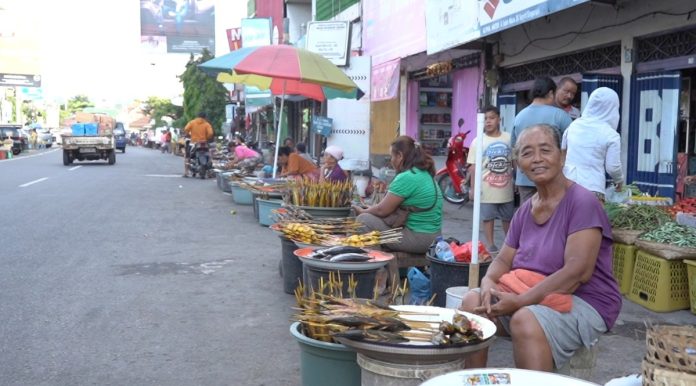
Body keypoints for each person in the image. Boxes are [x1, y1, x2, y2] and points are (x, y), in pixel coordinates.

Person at [459, 124, 621, 372]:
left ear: (562, 155)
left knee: (525, 319)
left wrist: (521, 301)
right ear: (517, 163)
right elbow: (503, 261)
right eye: (526, 153)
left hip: (584, 300)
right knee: (473, 303)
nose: (537, 159)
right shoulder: (525, 209)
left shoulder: (582, 202)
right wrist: (489, 284)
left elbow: (577, 272)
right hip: (531, 292)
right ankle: (472, 380)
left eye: (545, 150)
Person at [352, 136, 443, 275]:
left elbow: (382, 210)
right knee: (369, 216)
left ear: (400, 156)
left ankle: (377, 271)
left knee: (363, 221)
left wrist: (362, 211)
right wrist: (370, 209)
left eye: (391, 157)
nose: (391, 162)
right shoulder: (423, 174)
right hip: (433, 236)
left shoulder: (407, 177)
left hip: (420, 239)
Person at [511, 76, 572, 204]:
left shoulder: (519, 117)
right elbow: (572, 148)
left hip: (525, 178)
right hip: (553, 178)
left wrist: (519, 176)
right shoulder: (560, 115)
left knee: (528, 216)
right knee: (552, 217)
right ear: (550, 93)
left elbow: (514, 151)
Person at [562, 87, 624, 200]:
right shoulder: (610, 134)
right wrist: (619, 180)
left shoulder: (574, 125)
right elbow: (612, 167)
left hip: (566, 185)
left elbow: (562, 153)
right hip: (592, 188)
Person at [467, 107, 514, 254]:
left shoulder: (508, 138)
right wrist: (473, 188)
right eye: (486, 118)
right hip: (486, 189)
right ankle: (491, 245)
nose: (488, 121)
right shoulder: (477, 141)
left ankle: (509, 244)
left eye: (492, 118)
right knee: (488, 218)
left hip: (506, 187)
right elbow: (473, 167)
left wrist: (517, 181)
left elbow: (514, 161)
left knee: (508, 218)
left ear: (499, 119)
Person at [182, 112, 214, 177]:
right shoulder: (206, 124)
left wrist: (188, 134)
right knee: (209, 154)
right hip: (204, 142)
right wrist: (207, 137)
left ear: (197, 116)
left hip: (193, 143)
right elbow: (210, 133)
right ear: (205, 117)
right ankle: (209, 172)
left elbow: (186, 129)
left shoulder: (192, 122)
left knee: (187, 156)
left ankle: (186, 172)